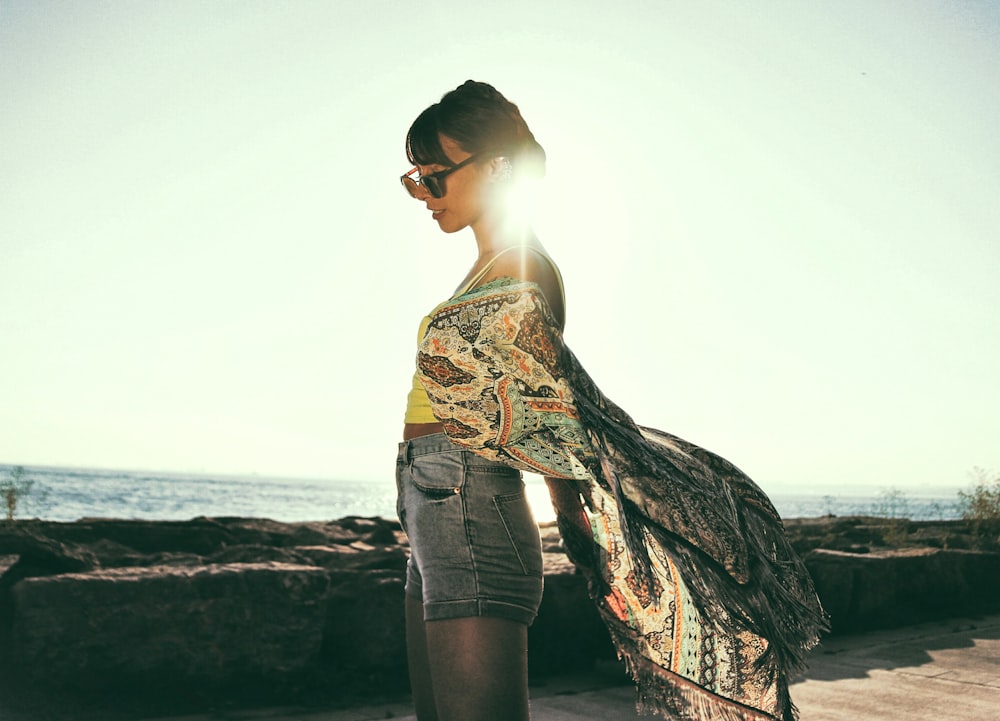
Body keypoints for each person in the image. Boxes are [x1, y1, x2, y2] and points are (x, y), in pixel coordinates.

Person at [397, 81, 827, 721]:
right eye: (415, 180)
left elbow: (560, 417)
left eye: (435, 178)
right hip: (430, 507)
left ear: (496, 168)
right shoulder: (490, 266)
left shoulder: (523, 270)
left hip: (468, 503)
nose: (424, 196)